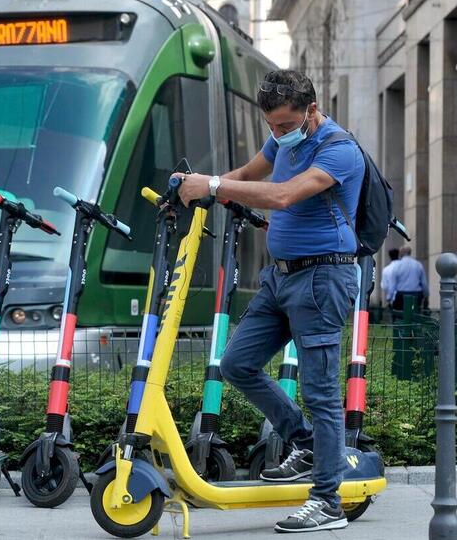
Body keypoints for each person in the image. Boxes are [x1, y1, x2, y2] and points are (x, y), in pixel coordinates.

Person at [174, 69, 363, 533]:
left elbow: (281, 196)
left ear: (311, 111)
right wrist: (197, 183)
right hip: (279, 280)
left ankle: (327, 502)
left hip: (323, 278)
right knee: (238, 364)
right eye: (271, 126)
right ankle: (304, 443)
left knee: (320, 393)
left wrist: (214, 188)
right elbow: (241, 176)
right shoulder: (283, 142)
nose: (277, 135)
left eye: (284, 125)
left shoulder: (339, 149)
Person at [387, 246, 428, 311]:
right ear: (410, 253)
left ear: (400, 254)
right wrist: (426, 295)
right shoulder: (418, 264)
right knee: (415, 313)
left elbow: (393, 284)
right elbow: (424, 282)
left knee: (399, 316)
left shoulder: (397, 266)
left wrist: (389, 298)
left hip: (401, 295)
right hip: (416, 294)